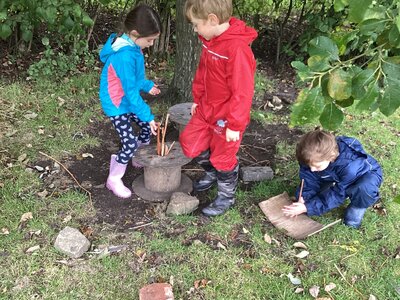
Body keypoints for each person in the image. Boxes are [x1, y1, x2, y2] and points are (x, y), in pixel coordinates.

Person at [179, 0, 258, 216]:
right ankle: (212, 172)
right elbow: (203, 71)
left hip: (227, 117)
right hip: (206, 108)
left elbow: (242, 92)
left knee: (223, 157)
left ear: (212, 19)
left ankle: (226, 196)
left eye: (196, 24)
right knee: (189, 142)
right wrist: (198, 97)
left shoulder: (237, 49)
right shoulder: (210, 40)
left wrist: (235, 124)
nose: (195, 29)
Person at [99, 4, 161, 198]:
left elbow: (135, 79)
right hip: (117, 103)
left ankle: (137, 157)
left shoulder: (133, 47)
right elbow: (131, 91)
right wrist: (149, 116)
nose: (151, 44)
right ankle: (114, 179)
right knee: (129, 142)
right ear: (135, 33)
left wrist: (147, 84)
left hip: (128, 97)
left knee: (144, 127)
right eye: (150, 40)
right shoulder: (125, 56)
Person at [282, 129, 383, 228]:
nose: (312, 169)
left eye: (316, 166)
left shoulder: (349, 166)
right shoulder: (312, 157)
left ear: (331, 156)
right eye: (309, 166)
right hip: (335, 172)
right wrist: (304, 198)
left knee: (363, 191)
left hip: (365, 176)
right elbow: (308, 179)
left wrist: (307, 207)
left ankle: (354, 217)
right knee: (314, 188)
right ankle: (314, 196)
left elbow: (338, 194)